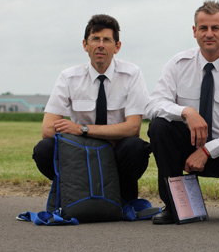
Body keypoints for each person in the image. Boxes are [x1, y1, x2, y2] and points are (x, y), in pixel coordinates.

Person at [147, 0, 219, 224]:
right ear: (194, 31)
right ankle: (173, 205)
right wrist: (186, 112)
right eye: (203, 28)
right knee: (159, 127)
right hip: (185, 146)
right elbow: (153, 104)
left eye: (215, 28)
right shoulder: (178, 64)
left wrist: (208, 150)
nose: (209, 34)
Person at [33, 14, 151, 202]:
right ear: (85, 45)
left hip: (117, 153)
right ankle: (74, 190)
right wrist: (88, 139)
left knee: (136, 147)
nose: (100, 45)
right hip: (81, 154)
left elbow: (133, 128)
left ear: (117, 47)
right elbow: (47, 129)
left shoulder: (132, 74)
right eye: (95, 39)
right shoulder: (68, 77)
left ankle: (122, 196)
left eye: (107, 40)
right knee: (44, 149)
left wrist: (82, 129)